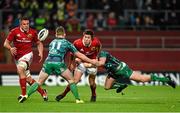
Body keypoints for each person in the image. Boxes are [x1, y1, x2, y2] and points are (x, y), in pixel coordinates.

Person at [25, 26, 99, 103]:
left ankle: (26, 95)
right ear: (64, 34)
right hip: (59, 64)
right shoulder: (67, 43)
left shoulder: (52, 42)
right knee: (71, 81)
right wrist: (91, 60)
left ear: (56, 34)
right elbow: (78, 54)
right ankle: (78, 99)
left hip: (47, 63)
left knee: (39, 82)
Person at [3, 16, 48, 103]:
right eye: (24, 24)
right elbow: (5, 43)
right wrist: (10, 48)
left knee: (20, 69)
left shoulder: (33, 32)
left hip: (28, 55)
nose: (26, 25)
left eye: (27, 24)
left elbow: (39, 43)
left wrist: (40, 52)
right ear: (20, 24)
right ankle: (43, 92)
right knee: (28, 79)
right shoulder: (14, 31)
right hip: (18, 58)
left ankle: (23, 94)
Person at [96, 50, 176, 92]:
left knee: (142, 79)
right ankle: (121, 85)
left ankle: (166, 79)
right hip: (113, 71)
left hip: (121, 69)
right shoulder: (95, 57)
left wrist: (88, 62)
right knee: (107, 87)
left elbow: (100, 63)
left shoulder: (102, 53)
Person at [55, 29, 101, 102]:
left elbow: (99, 49)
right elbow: (71, 53)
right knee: (75, 81)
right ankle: (63, 94)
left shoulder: (96, 42)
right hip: (81, 63)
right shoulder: (77, 43)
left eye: (88, 37)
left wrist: (97, 58)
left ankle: (93, 94)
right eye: (85, 37)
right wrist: (71, 64)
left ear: (91, 38)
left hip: (91, 63)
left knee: (92, 83)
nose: (86, 39)